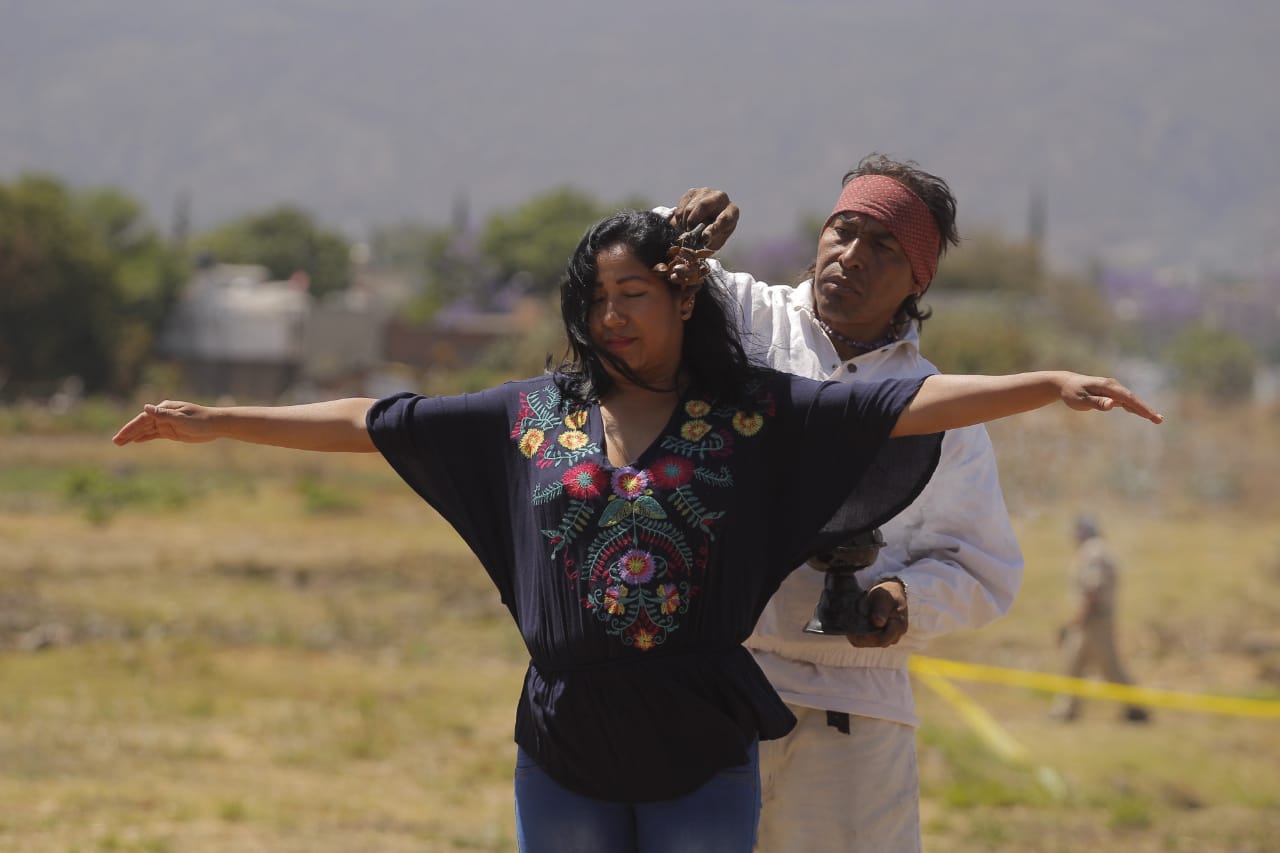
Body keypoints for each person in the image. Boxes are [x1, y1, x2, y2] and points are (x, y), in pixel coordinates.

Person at [113, 209, 1162, 853]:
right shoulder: (532, 415)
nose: (614, 314)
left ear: (679, 301)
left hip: (702, 743)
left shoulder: (749, 414)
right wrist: (217, 423)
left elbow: (907, 406)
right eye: (596, 296)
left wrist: (1046, 384)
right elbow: (375, 421)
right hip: (560, 742)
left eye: (636, 293)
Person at [668, 154, 1027, 852]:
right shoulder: (742, 317)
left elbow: (985, 568)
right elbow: (628, 275)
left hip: (855, 706)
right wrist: (677, 229)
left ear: (918, 279)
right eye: (844, 230)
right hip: (711, 681)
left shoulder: (935, 405)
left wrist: (902, 595)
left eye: (883, 244)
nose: (852, 255)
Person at [1050, 514, 1151, 723]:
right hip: (1092, 620)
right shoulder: (1099, 550)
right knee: (1074, 664)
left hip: (1094, 621)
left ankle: (1136, 708)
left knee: (1109, 667)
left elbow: (1092, 590)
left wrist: (1078, 619)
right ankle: (1066, 710)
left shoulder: (1093, 552)